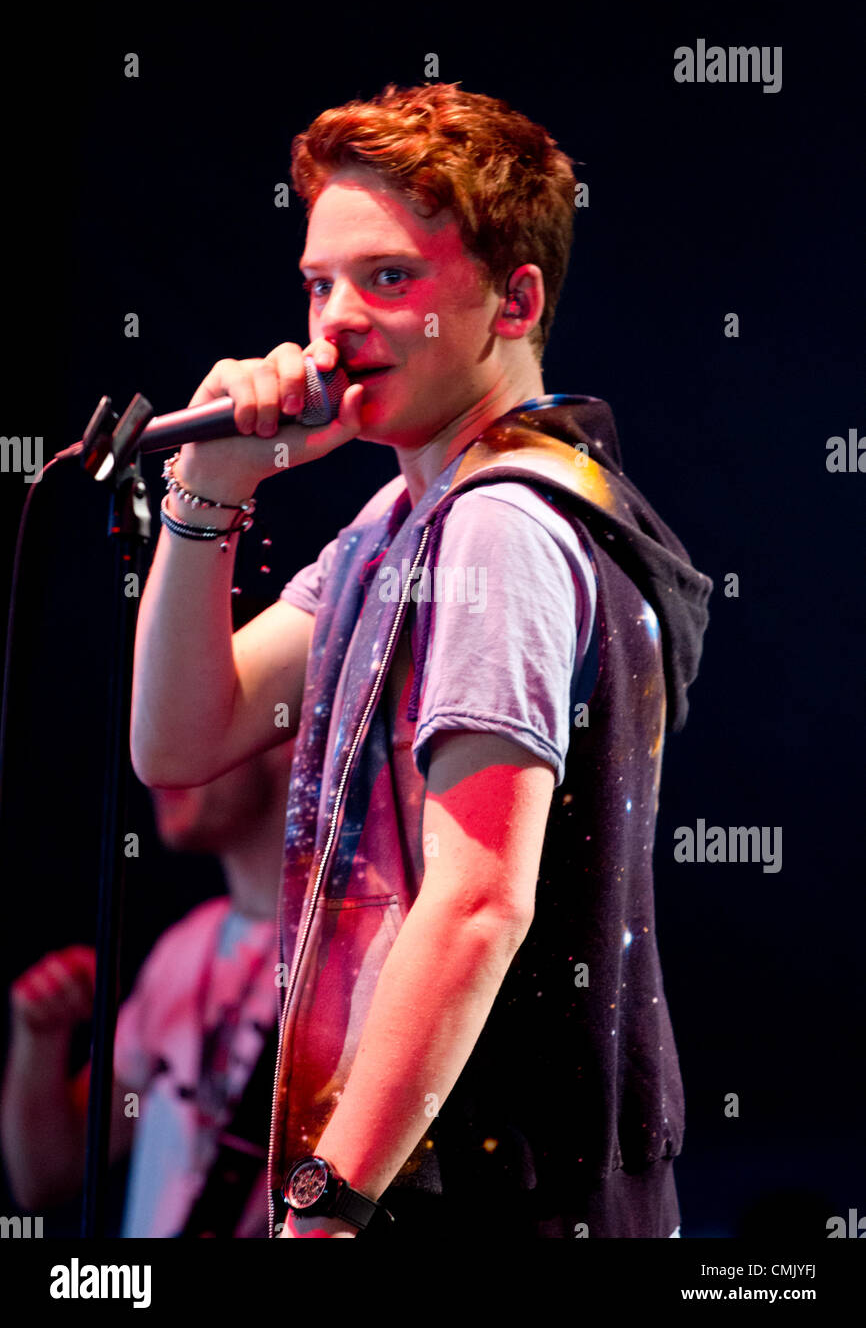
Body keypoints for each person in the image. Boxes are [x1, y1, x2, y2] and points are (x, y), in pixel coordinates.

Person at [130, 82, 713, 1239]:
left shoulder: (499, 523)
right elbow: (182, 739)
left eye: (387, 279)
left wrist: (323, 1202)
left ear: (514, 301)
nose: (331, 322)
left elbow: (478, 899)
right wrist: (209, 493)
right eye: (317, 284)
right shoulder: (401, 525)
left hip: (494, 1204)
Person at [1, 732, 293, 1237]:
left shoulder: (358, 954)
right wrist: (39, 1039)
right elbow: (47, 1176)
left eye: (197, 715)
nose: (153, 768)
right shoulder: (184, 946)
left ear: (281, 741)